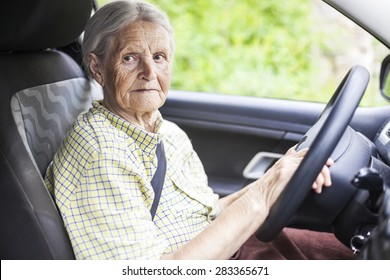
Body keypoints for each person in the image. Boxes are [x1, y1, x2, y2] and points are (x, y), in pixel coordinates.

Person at [44, 0, 353, 260]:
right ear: (97, 68)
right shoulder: (101, 151)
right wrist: (265, 190)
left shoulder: (168, 133)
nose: (149, 72)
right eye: (130, 58)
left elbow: (208, 213)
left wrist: (278, 174)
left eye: (160, 57)